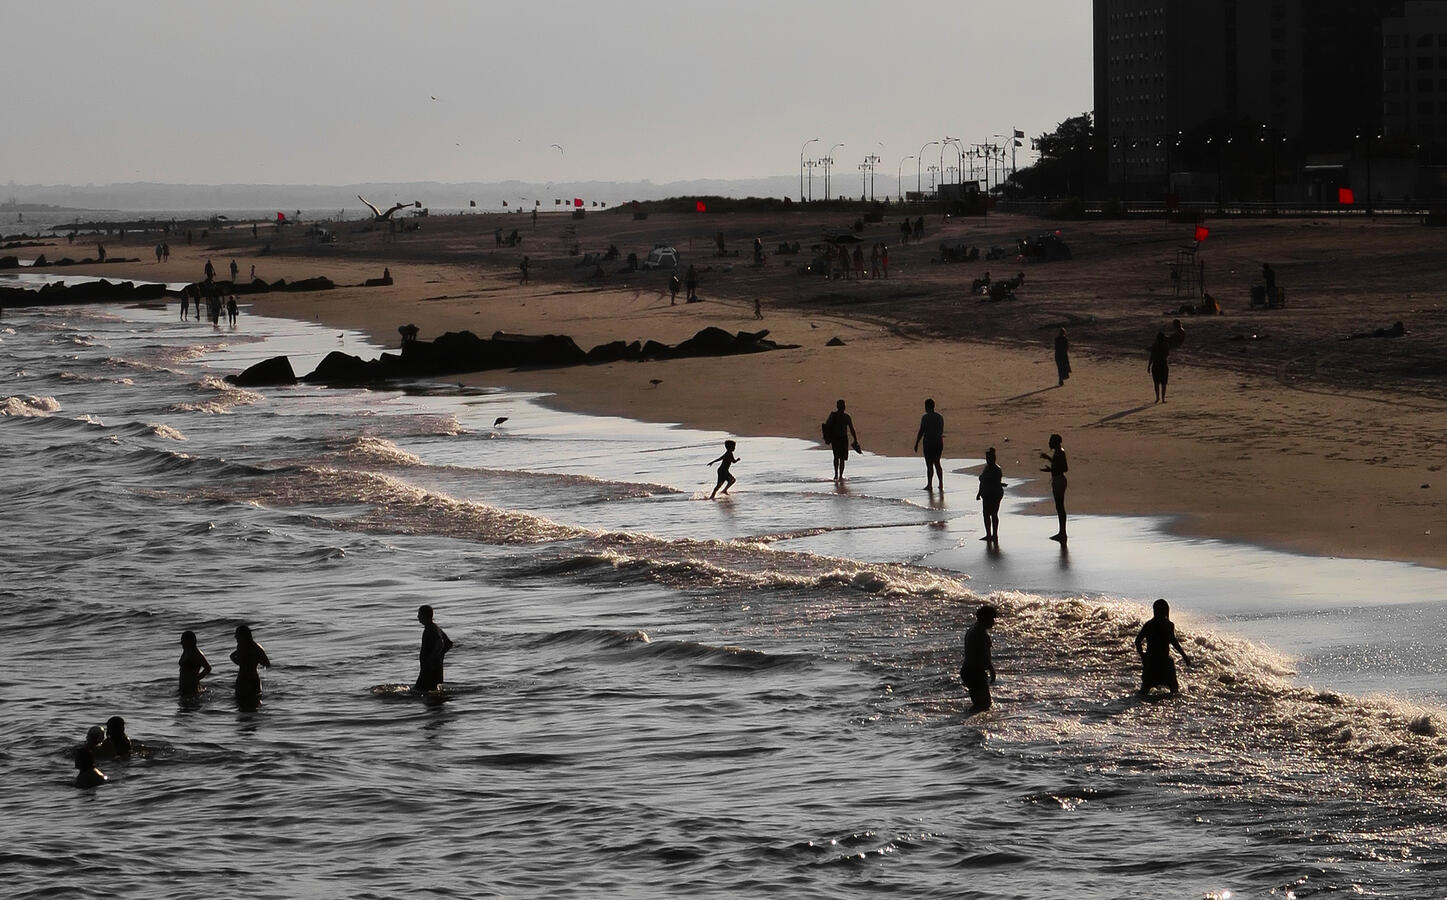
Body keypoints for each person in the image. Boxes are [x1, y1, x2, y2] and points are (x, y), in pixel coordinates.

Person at [1135, 599, 1191, 696]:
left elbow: (1138, 641)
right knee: (1173, 690)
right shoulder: (1164, 625)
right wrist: (1143, 656)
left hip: (1153, 661)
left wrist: (1143, 656)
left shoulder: (1151, 624)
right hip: (1161, 662)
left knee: (1145, 691)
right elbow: (1137, 641)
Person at [959, 604, 998, 713]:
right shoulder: (980, 633)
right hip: (975, 673)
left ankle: (967, 721)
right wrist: (992, 670)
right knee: (984, 705)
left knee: (981, 704)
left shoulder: (972, 630)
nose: (993, 622)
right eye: (992, 619)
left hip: (969, 671)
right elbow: (984, 655)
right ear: (985, 618)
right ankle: (968, 722)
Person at [414, 605, 454, 692]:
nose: (418, 617)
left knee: (419, 692)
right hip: (433, 669)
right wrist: (440, 657)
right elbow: (448, 644)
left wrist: (431, 659)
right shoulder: (435, 628)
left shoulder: (431, 629)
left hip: (430, 670)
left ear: (425, 615)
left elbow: (440, 642)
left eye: (419, 614)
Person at [230, 624, 271, 707]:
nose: (235, 637)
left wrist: (242, 662)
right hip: (246, 679)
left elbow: (267, 663)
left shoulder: (256, 648)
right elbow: (266, 664)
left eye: (237, 635)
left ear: (243, 636)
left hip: (249, 680)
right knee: (250, 704)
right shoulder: (243, 646)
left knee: (244, 704)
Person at [1039, 433, 1068, 542]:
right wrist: (1048, 459)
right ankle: (1062, 532)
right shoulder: (1058, 452)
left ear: (1055, 442)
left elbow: (1064, 468)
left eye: (1051, 441)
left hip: (1059, 480)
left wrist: (1050, 470)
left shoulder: (1060, 452)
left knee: (1060, 507)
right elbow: (1058, 464)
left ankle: (1062, 533)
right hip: (1058, 480)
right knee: (1059, 507)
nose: (1049, 443)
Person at [823, 399, 860, 481]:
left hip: (839, 439)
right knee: (840, 458)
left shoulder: (838, 416)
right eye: (842, 405)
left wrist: (855, 439)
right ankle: (838, 476)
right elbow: (851, 429)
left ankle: (838, 475)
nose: (843, 407)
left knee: (838, 458)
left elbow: (826, 426)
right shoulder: (844, 417)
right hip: (839, 439)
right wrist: (855, 440)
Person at [913, 398, 945, 491]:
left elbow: (921, 431)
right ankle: (941, 483)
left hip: (929, 443)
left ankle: (930, 484)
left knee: (929, 465)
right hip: (938, 442)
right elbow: (941, 430)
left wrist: (917, 443)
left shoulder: (925, 417)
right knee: (937, 463)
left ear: (927, 407)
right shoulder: (939, 417)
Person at [976, 447, 1005, 543]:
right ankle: (989, 534)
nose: (988, 460)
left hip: (994, 494)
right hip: (987, 493)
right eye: (987, 458)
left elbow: (993, 482)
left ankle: (994, 534)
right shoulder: (987, 468)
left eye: (989, 458)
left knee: (993, 514)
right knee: (986, 514)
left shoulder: (996, 469)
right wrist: (979, 493)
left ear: (993, 458)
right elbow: (983, 482)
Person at [178, 630, 212, 695]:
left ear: (189, 641)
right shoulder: (186, 651)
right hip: (183, 685)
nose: (181, 642)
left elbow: (208, 668)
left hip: (192, 688)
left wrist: (196, 679)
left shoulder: (197, 654)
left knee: (191, 704)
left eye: (183, 640)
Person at [1148, 331, 1170, 403]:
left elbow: (1152, 356)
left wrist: (1149, 365)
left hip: (1157, 365)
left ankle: (1158, 398)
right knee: (1163, 383)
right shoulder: (1165, 345)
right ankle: (1162, 398)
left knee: (1157, 383)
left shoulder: (1155, 345)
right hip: (1162, 366)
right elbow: (1166, 355)